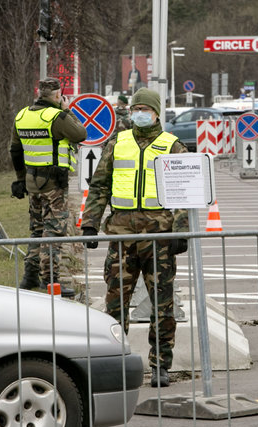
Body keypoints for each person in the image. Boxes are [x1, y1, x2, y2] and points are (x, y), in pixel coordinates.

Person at [80, 88, 189, 388]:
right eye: (135, 108)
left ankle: (160, 366)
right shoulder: (118, 142)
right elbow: (99, 186)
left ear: (156, 113)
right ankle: (114, 362)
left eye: (145, 109)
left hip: (159, 238)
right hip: (122, 237)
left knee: (162, 304)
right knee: (116, 304)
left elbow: (184, 192)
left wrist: (181, 230)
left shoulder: (173, 146)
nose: (139, 113)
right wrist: (89, 224)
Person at [9, 77, 87, 298]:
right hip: (54, 184)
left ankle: (30, 276)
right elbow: (80, 134)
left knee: (37, 229)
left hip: (33, 183)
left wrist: (20, 179)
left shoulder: (22, 115)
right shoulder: (57, 117)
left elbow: (15, 150)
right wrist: (68, 110)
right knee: (53, 231)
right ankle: (50, 280)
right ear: (56, 96)